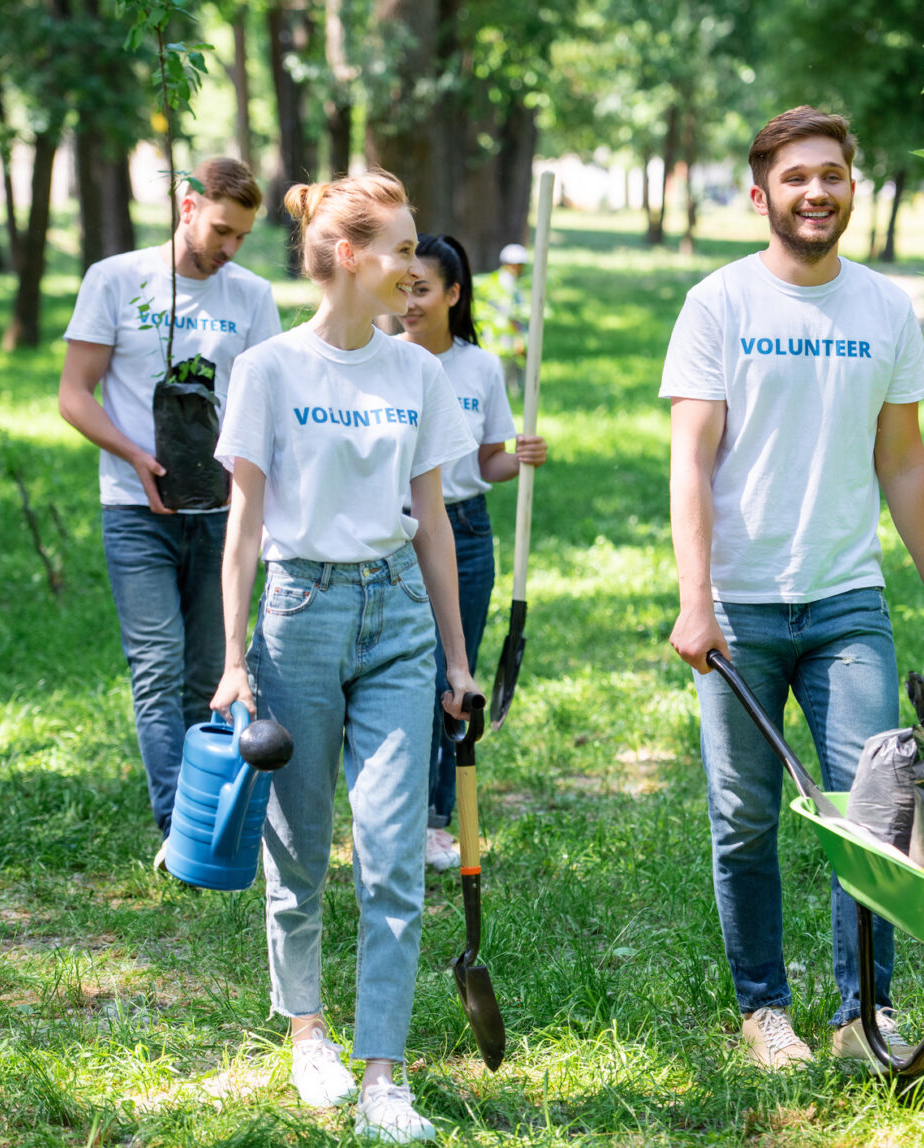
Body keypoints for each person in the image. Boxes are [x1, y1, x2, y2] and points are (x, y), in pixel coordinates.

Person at [661, 106, 924, 1069]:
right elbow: (692, 461)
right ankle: (764, 1010)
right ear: (762, 194)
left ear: (850, 186)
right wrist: (695, 598)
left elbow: (904, 462)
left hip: (846, 603)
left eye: (831, 173)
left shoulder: (883, 308)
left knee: (872, 811)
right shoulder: (720, 305)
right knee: (745, 815)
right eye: (796, 177)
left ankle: (861, 1017)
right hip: (740, 609)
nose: (816, 191)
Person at [209, 172, 480, 1143]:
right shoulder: (270, 369)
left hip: (398, 615)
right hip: (300, 611)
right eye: (403, 249)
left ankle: (383, 1071)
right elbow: (243, 524)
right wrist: (234, 656)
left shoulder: (420, 373)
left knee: (394, 848)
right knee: (298, 838)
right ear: (350, 257)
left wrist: (456, 657)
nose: (417, 268)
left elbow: (435, 523)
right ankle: (308, 1029)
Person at [57, 157, 281, 851]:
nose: (229, 248)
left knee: (206, 675)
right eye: (221, 229)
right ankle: (177, 829)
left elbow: (271, 408)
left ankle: (205, 811)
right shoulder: (116, 280)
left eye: (242, 236)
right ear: (187, 206)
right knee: (155, 667)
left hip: (222, 518)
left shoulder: (251, 296)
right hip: (136, 512)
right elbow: (74, 393)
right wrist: (134, 456)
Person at [396, 233, 547, 870]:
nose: (408, 301)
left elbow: (487, 459)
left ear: (453, 295)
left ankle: (433, 819)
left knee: (449, 679)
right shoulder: (381, 359)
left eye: (422, 289)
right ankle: (392, 810)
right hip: (397, 531)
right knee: (403, 677)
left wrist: (518, 458)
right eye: (402, 287)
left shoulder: (479, 368)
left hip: (466, 531)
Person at [475, 242, 529, 396]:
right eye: (517, 264)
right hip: (503, 336)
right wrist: (520, 337)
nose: (519, 268)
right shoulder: (505, 283)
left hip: (501, 336)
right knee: (503, 371)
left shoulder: (508, 281)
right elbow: (509, 312)